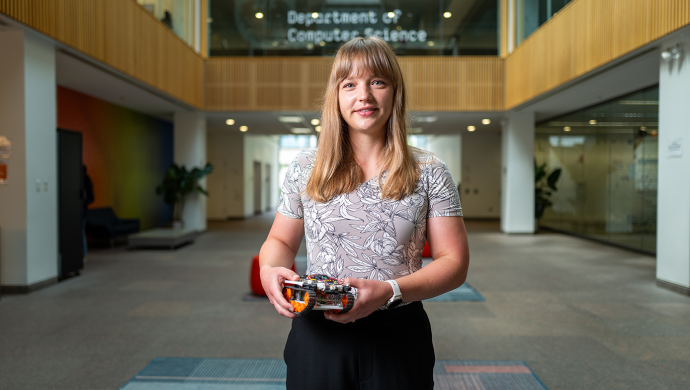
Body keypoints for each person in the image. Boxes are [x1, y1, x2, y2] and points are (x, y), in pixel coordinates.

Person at [259, 36, 469, 390]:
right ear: (336, 96)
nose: (364, 96)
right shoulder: (305, 166)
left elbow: (454, 262)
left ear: (394, 92)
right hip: (317, 335)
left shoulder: (430, 170)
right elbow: (280, 238)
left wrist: (388, 289)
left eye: (378, 82)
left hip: (398, 334)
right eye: (350, 84)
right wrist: (269, 269)